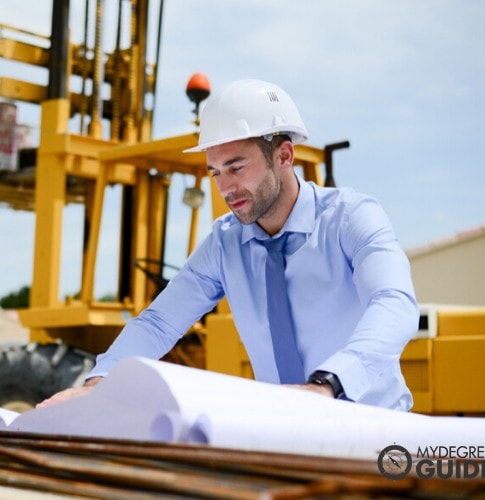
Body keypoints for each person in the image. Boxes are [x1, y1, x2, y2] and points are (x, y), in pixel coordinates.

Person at [39, 79, 419, 411]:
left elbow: (394, 303)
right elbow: (158, 323)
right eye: (215, 172)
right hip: (289, 439)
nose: (224, 188)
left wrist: (328, 385)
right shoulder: (225, 244)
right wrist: (98, 383)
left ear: (284, 155)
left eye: (237, 168)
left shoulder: (352, 218)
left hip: (376, 432)